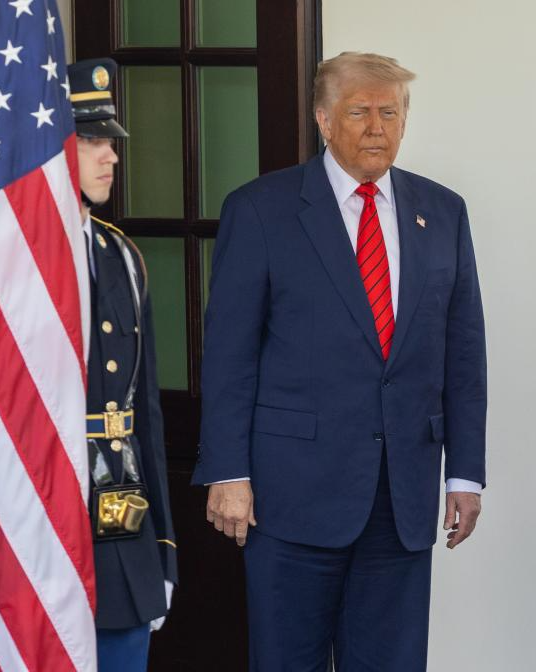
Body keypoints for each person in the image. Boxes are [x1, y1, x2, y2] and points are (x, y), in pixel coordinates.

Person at [192, 52, 487, 671]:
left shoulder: (444, 212)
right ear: (323, 120)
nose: (377, 127)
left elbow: (463, 352)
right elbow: (229, 355)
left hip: (401, 497)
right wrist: (227, 470)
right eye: (359, 112)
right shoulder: (261, 209)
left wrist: (464, 474)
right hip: (289, 497)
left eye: (390, 112)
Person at [69, 57, 177, 671]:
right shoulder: (10, 259)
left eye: (110, 140)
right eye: (90, 140)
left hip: (120, 528)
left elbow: (144, 416)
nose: (111, 154)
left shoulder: (121, 255)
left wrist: (161, 547)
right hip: (37, 524)